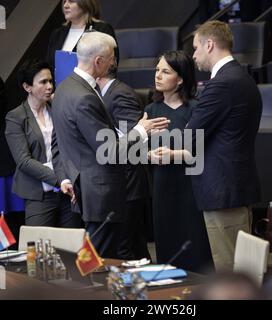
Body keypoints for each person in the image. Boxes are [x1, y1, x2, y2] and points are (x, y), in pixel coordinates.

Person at [152, 21, 262, 271]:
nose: (194, 55)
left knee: (231, 273)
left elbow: (191, 134)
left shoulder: (221, 84)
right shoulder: (243, 78)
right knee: (244, 270)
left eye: (196, 48)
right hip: (236, 187)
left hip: (222, 192)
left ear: (209, 44)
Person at [51, 31, 169, 258]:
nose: (114, 62)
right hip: (101, 195)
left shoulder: (64, 89)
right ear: (98, 61)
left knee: (98, 262)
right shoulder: (84, 96)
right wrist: (140, 131)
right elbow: (110, 151)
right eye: (112, 57)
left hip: (87, 190)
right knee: (98, 265)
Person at [146, 51, 213, 273]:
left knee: (195, 243)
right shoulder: (150, 110)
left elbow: (203, 152)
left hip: (190, 186)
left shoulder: (195, 109)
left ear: (181, 78)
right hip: (162, 185)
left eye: (165, 71)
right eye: (157, 70)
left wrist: (173, 154)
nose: (158, 75)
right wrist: (149, 156)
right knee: (167, 245)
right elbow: (137, 151)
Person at [5, 61, 81, 227]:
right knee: (40, 247)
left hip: (68, 191)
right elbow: (24, 161)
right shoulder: (16, 117)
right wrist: (59, 180)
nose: (49, 86)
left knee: (70, 247)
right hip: (38, 193)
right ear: (27, 87)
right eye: (43, 82)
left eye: (51, 81)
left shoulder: (58, 108)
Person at [97, 63, 151, 260]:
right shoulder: (107, 93)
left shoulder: (119, 93)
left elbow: (134, 141)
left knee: (123, 248)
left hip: (128, 182)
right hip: (123, 183)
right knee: (135, 246)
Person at [46, 0, 119, 71]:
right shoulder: (57, 34)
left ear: (85, 3)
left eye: (71, 1)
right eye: (64, 1)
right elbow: (49, 67)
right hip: (60, 83)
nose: (65, 6)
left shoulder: (102, 30)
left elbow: (111, 65)